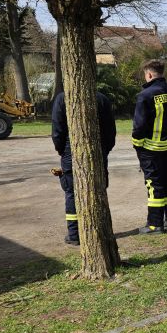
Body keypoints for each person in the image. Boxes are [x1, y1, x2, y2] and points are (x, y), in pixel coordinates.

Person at [51, 90, 116, 246]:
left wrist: (62, 150)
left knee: (72, 191)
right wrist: (105, 150)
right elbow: (110, 130)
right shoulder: (102, 98)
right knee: (98, 188)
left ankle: (74, 234)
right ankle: (100, 230)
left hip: (70, 150)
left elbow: (57, 129)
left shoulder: (62, 98)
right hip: (98, 150)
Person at [132, 59, 167, 234]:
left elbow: (139, 127)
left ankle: (155, 224)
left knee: (154, 184)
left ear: (148, 74)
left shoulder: (145, 95)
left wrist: (138, 145)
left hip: (151, 149)